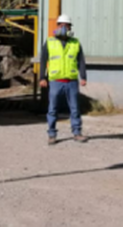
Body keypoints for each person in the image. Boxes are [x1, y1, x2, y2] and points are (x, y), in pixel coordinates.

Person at [39, 14, 88, 145]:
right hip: (55, 81)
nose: (64, 28)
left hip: (71, 81)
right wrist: (42, 77)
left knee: (75, 109)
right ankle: (52, 134)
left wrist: (83, 76)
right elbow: (43, 60)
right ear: (57, 26)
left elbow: (81, 61)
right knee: (53, 109)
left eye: (66, 25)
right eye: (61, 25)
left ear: (70, 27)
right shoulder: (50, 42)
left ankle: (77, 133)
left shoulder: (75, 42)